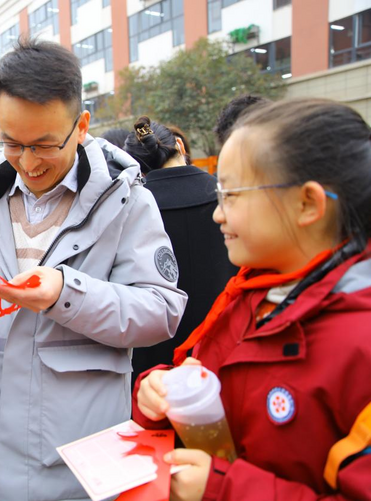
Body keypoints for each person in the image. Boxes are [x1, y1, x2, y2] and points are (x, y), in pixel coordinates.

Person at [0, 38, 187, 500]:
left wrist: (66, 293)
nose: (27, 161)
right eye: (12, 142)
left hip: (82, 452)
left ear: (80, 125)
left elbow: (161, 310)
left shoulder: (126, 202)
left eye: (44, 144)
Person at [135, 99, 371, 501]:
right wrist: (153, 393)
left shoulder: (359, 343)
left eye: (231, 194)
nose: (217, 215)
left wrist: (223, 490)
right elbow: (195, 382)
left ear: (307, 203)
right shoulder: (251, 295)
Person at [123, 116, 237, 385]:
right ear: (180, 147)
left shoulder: (129, 209)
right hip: (223, 342)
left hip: (152, 359)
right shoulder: (227, 195)